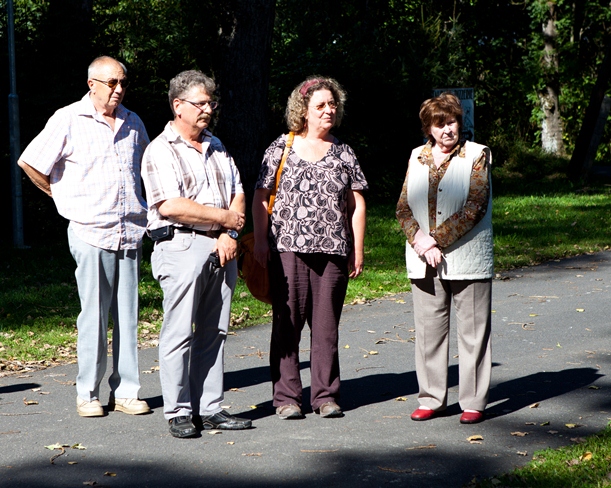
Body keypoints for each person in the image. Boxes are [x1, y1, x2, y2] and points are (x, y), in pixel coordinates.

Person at [18, 56, 151, 417]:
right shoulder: (68, 119)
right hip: (90, 230)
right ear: (92, 83)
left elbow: (148, 172)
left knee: (128, 316)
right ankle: (88, 393)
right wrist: (61, 197)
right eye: (111, 83)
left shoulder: (134, 122)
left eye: (123, 83)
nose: (119, 89)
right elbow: (30, 161)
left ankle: (125, 392)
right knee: (93, 315)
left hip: (130, 230)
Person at [142, 70, 252, 438]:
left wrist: (228, 232)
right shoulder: (160, 149)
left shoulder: (217, 144)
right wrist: (224, 219)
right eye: (201, 103)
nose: (208, 109)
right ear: (178, 106)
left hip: (223, 246)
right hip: (181, 245)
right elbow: (172, 205)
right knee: (179, 332)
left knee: (215, 330)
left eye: (211, 103)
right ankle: (177, 411)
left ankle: (210, 408)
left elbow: (238, 190)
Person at [253, 76, 368, 420]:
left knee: (326, 326)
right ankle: (287, 397)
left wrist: (357, 247)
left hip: (333, 250)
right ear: (303, 110)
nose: (328, 110)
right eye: (320, 105)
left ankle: (325, 396)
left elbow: (356, 204)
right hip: (286, 249)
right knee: (286, 324)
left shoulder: (344, 152)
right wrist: (260, 240)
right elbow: (260, 195)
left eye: (332, 104)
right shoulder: (280, 148)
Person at [396, 92, 493, 424]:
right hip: (424, 259)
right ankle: (431, 398)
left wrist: (434, 240)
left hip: (468, 258)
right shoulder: (416, 156)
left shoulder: (477, 154)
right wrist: (422, 243)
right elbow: (403, 206)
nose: (447, 130)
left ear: (459, 122)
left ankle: (473, 402)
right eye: (440, 124)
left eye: (451, 122)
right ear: (429, 128)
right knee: (428, 332)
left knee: (473, 333)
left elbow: (475, 207)